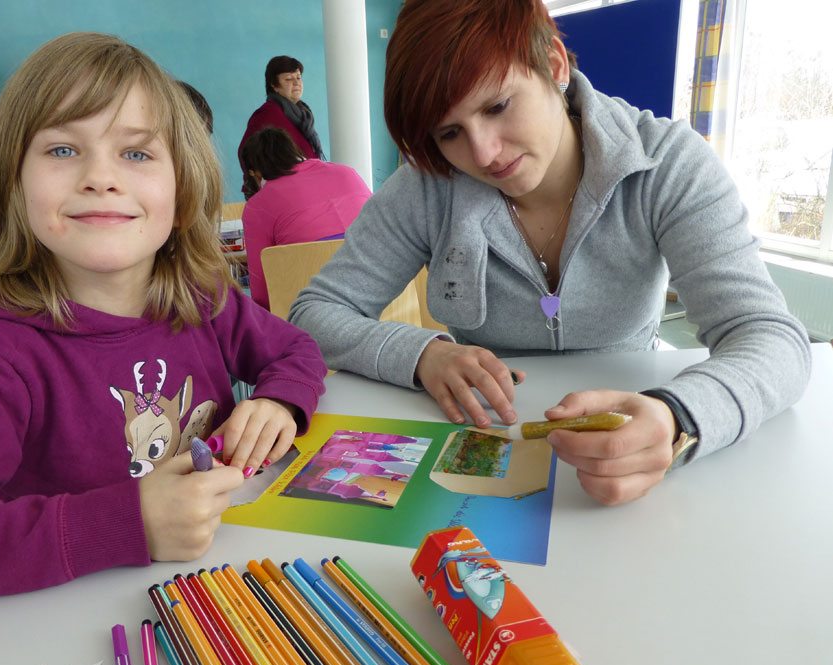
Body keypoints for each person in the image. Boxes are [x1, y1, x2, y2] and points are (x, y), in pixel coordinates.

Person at [290, 0, 811, 506]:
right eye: (450, 133)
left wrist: (677, 415)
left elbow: (772, 339)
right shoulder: (423, 189)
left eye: (497, 106)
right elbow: (314, 314)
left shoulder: (668, 164)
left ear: (554, 65)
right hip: (485, 450)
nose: (483, 153)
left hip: (634, 453)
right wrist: (424, 353)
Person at [0, 32, 327, 618]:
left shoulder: (204, 299)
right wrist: (128, 523)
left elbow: (296, 351)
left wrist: (280, 403)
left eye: (137, 153)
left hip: (223, 596)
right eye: (63, 150)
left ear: (182, 185)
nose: (101, 177)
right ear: (14, 184)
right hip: (74, 637)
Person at [240, 127, 372, 310]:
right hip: (389, 309)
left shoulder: (258, 205)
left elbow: (262, 296)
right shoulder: (348, 173)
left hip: (310, 321)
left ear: (257, 174)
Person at [238, 55, 325, 197]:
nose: (296, 83)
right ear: (274, 85)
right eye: (289, 79)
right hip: (284, 195)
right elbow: (246, 153)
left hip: (308, 189)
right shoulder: (267, 114)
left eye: (298, 77)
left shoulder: (303, 114)